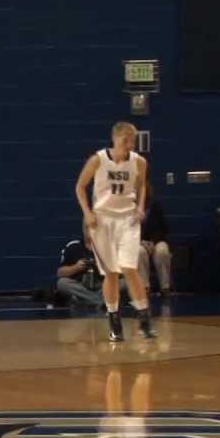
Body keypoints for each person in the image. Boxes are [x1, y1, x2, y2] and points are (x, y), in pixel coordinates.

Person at [75, 122, 154, 342]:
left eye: (132, 140)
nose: (130, 144)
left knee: (130, 267)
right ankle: (114, 319)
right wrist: (88, 213)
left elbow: (141, 185)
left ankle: (144, 317)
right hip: (102, 220)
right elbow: (80, 187)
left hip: (128, 219)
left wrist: (140, 207)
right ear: (115, 139)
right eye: (125, 140)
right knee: (110, 272)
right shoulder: (98, 160)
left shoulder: (139, 161)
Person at [139, 182, 171, 296]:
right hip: (137, 242)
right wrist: (141, 242)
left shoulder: (155, 205)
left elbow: (163, 228)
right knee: (139, 252)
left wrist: (153, 241)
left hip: (155, 240)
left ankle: (165, 287)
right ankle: (144, 287)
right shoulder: (129, 207)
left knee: (162, 251)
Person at [55, 236, 103, 307]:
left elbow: (118, 273)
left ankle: (86, 301)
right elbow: (60, 273)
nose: (89, 231)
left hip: (103, 285)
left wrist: (100, 267)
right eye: (86, 227)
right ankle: (101, 301)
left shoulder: (108, 245)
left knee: (123, 282)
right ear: (83, 229)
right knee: (62, 283)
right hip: (81, 286)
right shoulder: (73, 245)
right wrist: (76, 267)